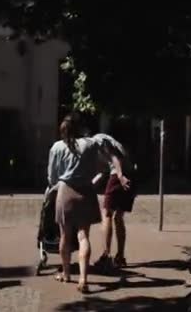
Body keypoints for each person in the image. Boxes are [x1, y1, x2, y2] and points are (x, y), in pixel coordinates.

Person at [47, 115, 103, 293]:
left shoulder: (57, 147)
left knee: (65, 235)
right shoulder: (90, 144)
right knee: (83, 236)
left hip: (66, 191)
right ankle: (83, 278)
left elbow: (52, 176)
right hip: (86, 191)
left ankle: (66, 273)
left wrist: (55, 184)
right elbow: (99, 167)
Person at [91, 133, 136, 272]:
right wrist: (89, 186)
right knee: (118, 217)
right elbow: (103, 172)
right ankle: (120, 256)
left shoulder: (98, 140)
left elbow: (114, 157)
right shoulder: (108, 141)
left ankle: (106, 257)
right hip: (131, 175)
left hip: (119, 175)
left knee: (107, 214)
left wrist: (120, 176)